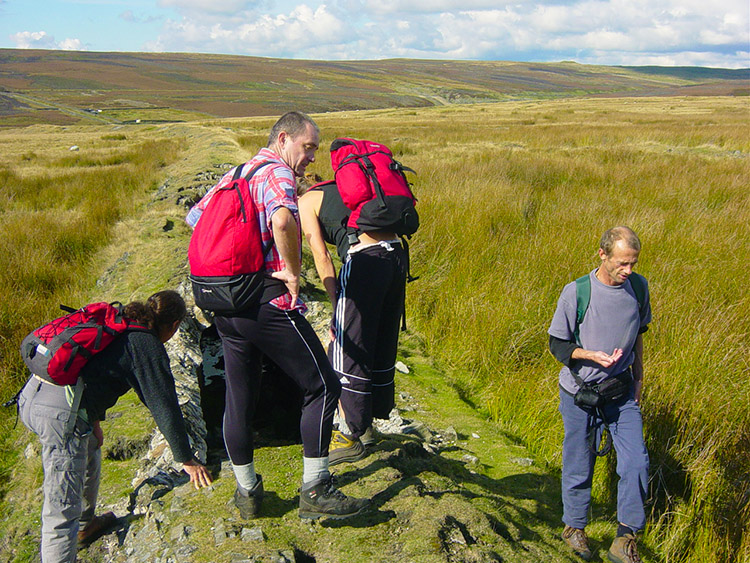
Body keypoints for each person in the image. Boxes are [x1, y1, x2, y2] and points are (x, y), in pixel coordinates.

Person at [189, 112, 368, 520]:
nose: (310, 158)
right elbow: (284, 218)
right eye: (307, 148)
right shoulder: (277, 174)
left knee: (240, 393)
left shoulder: (237, 171)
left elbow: (195, 218)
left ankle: (248, 493)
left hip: (222, 302)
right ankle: (316, 489)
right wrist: (288, 271)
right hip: (263, 298)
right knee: (322, 385)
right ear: (284, 138)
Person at [17, 290, 213, 563]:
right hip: (59, 414)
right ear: (174, 325)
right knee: (61, 510)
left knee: (90, 445)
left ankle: (86, 526)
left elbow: (92, 370)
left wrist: (94, 420)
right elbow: (163, 404)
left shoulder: (121, 319)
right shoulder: (145, 344)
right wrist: (185, 458)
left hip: (33, 394)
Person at [548, 226, 651, 563]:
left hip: (621, 394)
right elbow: (558, 344)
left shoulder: (638, 287)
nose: (629, 271)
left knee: (636, 462)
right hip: (580, 394)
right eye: (622, 263)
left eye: (633, 263)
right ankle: (574, 527)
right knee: (579, 462)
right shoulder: (576, 292)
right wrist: (590, 355)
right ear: (602, 255)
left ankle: (625, 539)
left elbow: (638, 335)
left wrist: (637, 383)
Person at [298, 179, 407, 465]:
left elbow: (321, 255)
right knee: (378, 340)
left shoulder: (306, 202)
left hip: (363, 260)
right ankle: (366, 426)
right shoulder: (344, 187)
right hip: (396, 256)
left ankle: (347, 435)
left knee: (346, 349)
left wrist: (337, 304)